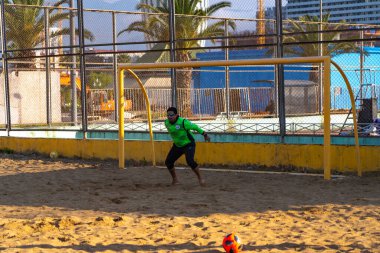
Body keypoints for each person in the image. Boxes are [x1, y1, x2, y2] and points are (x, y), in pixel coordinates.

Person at [164, 106, 210, 186]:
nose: (169, 117)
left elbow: (195, 127)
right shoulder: (166, 123)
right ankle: (175, 180)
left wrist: (204, 134)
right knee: (168, 162)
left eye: (171, 115)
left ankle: (200, 178)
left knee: (190, 161)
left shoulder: (183, 122)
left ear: (176, 115)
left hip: (188, 144)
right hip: (177, 146)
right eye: (168, 115)